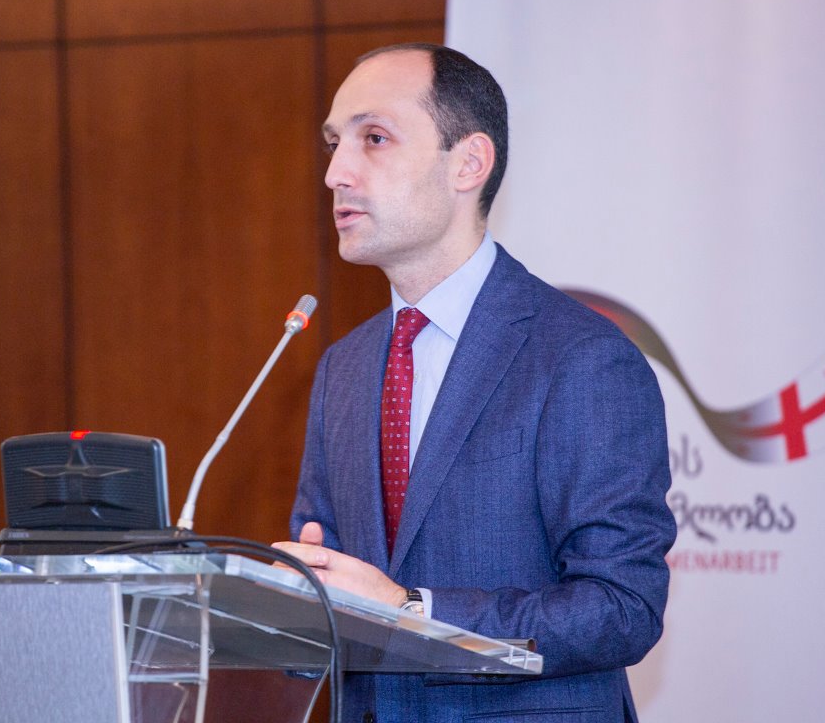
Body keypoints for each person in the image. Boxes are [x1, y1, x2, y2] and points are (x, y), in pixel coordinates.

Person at [272, 43, 676, 723]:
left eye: (374, 139)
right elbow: (329, 585)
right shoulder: (343, 365)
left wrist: (410, 612)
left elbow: (622, 608)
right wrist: (289, 606)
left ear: (468, 163)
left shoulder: (579, 357)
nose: (336, 173)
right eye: (334, 144)